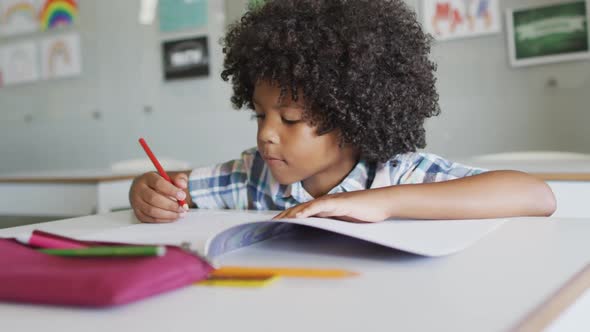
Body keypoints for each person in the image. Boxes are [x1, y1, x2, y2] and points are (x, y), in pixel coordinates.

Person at [129, 0, 556, 223]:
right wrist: (148, 193)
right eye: (260, 115)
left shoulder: (396, 174)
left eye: (291, 118)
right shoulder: (252, 177)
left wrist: (382, 203)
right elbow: (174, 190)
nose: (266, 135)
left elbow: (536, 195)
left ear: (353, 118)